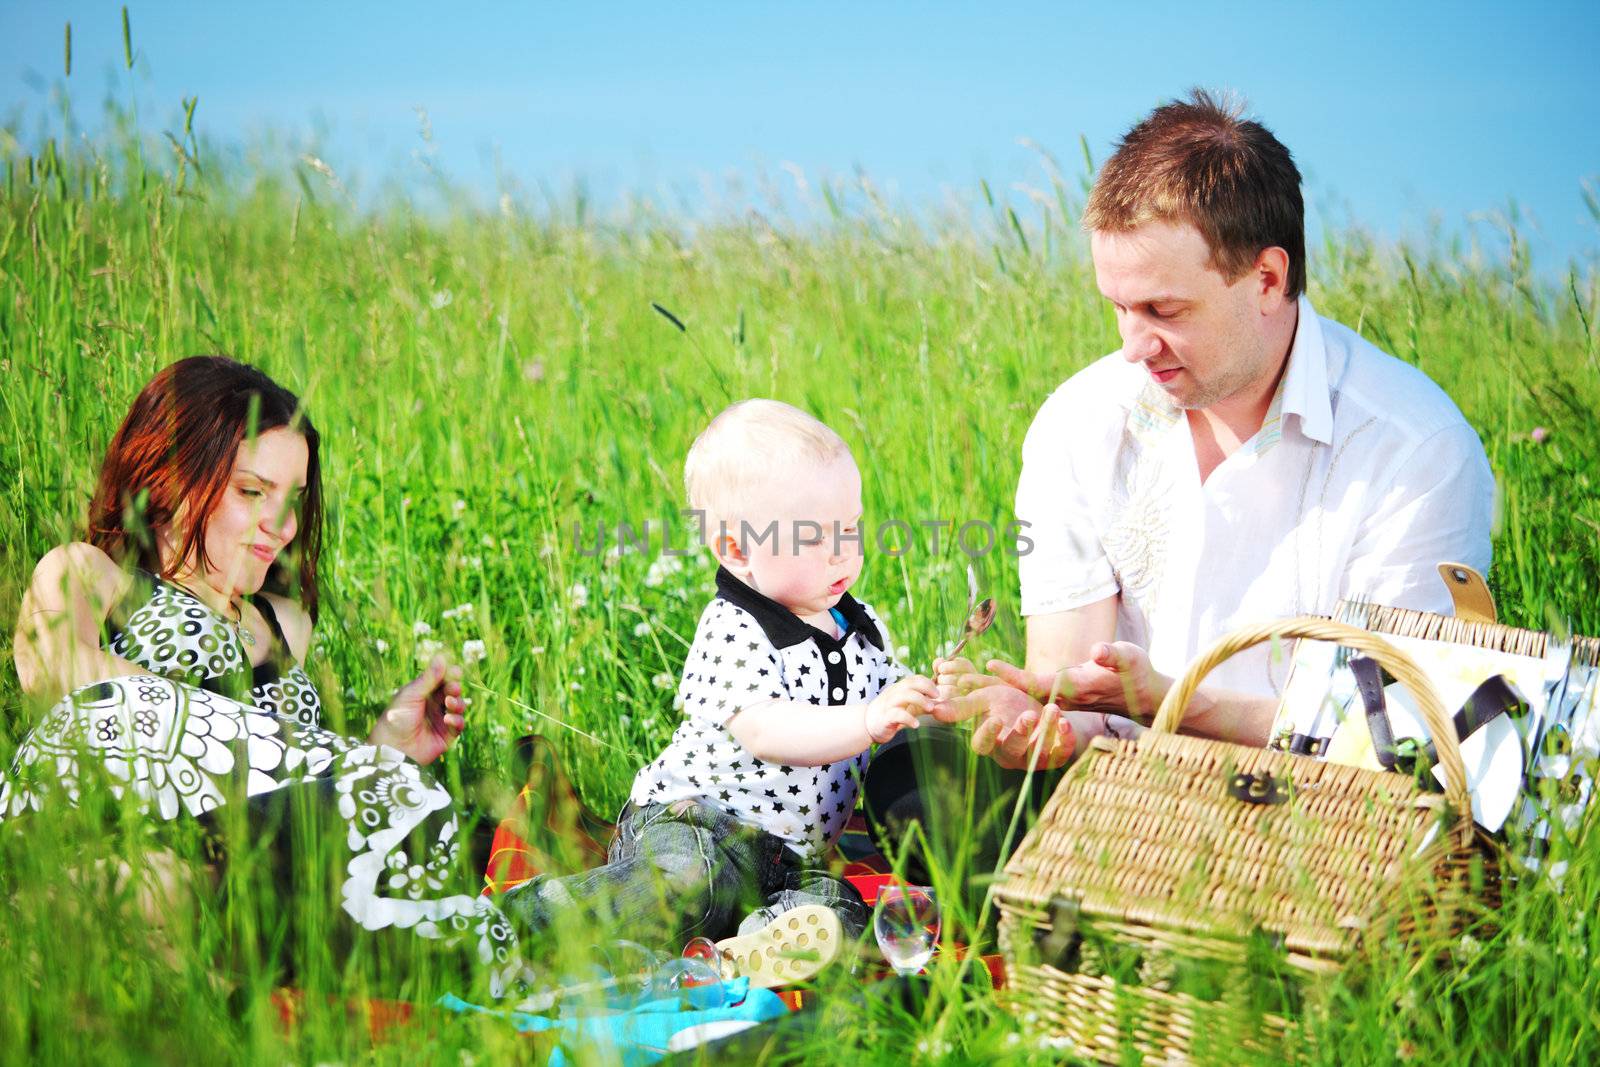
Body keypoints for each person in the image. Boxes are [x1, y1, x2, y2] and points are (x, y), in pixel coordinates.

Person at [936, 89, 1494, 770]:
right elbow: (1074, 707)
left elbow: (1397, 739)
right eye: (1118, 307)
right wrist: (1038, 731)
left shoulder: (1416, 451)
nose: (1134, 344)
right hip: (1116, 823)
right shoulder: (1076, 423)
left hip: (1326, 840)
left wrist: (1173, 703)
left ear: (1266, 278)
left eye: (1162, 309)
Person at [2, 355, 522, 993]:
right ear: (171, 474)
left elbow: (300, 805)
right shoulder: (90, 573)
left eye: (294, 499)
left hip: (274, 872)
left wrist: (383, 749)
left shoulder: (282, 625)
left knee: (463, 872)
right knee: (150, 886)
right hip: (143, 844)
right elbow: (62, 677)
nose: (284, 526)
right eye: (252, 492)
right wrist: (277, 744)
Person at [504, 400, 938, 977]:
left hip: (794, 860)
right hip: (698, 823)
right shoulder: (734, 627)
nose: (844, 551)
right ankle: (524, 920)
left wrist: (928, 699)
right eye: (817, 538)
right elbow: (766, 729)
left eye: (852, 527)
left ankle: (751, 951)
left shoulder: (859, 625)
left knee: (839, 913)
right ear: (737, 552)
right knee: (688, 883)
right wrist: (868, 720)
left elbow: (892, 705)